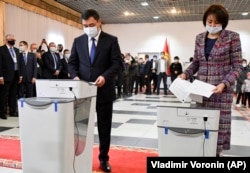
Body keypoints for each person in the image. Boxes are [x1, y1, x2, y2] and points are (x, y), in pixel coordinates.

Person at [179, 4, 243, 157]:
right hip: (201, 92)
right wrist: (185, 74)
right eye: (210, 21)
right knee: (201, 127)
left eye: (217, 22)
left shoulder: (232, 37)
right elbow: (196, 62)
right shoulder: (200, 38)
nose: (213, 25)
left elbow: (237, 66)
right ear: (205, 20)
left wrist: (224, 84)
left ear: (223, 22)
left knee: (217, 130)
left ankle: (215, 156)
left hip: (221, 92)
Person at [67, 9, 123, 172]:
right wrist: (75, 77)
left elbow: (117, 64)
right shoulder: (78, 41)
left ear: (99, 22)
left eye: (91, 24)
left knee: (104, 128)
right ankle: (78, 157)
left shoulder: (111, 40)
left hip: (104, 91)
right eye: (85, 25)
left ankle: (103, 159)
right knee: (80, 128)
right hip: (82, 92)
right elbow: (72, 63)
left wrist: (105, 77)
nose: (88, 28)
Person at [0, 34, 24, 119]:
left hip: (15, 75)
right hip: (5, 76)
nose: (13, 41)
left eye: (14, 39)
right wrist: (0, 76)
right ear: (7, 40)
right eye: (12, 39)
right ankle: (2, 112)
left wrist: (20, 75)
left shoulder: (17, 50)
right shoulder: (1, 50)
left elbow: (20, 64)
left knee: (13, 94)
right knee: (3, 95)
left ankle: (12, 111)